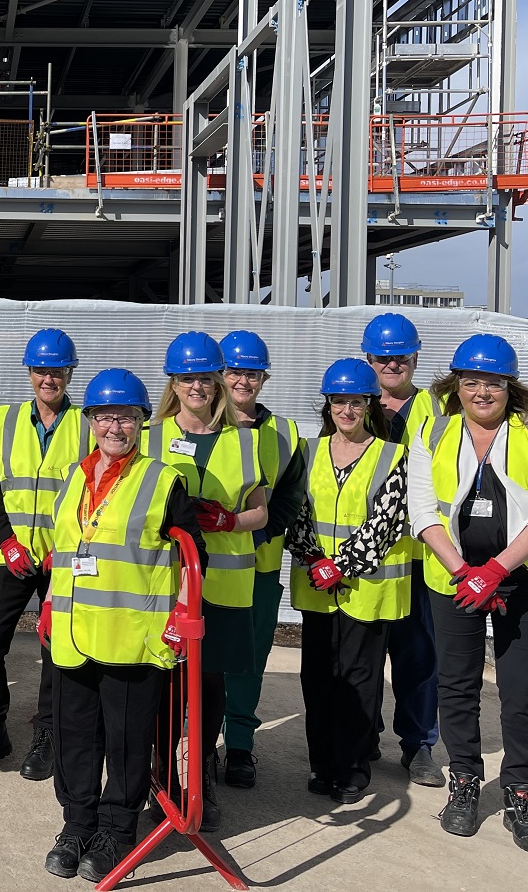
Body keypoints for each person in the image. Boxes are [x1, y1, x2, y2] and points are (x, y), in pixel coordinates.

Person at [408, 334, 528, 854]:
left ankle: (521, 793)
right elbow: (422, 509)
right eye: (471, 381)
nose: (482, 391)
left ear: (510, 386)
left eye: (493, 382)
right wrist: (464, 572)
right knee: (456, 685)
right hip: (455, 578)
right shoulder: (433, 431)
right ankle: (464, 783)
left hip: (523, 579)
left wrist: (495, 570)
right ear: (455, 385)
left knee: (521, 691)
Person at [42, 368, 204, 881]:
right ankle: (77, 823)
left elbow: (193, 557)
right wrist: (48, 602)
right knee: (74, 736)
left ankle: (116, 830)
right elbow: (66, 549)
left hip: (132, 638)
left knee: (128, 740)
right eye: (106, 416)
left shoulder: (163, 480)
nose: (116, 426)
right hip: (71, 634)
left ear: (142, 422)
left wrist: (181, 615)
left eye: (128, 417)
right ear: (89, 420)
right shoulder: (74, 477)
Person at [146, 331, 267, 833]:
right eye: (187, 377)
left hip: (223, 587)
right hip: (162, 585)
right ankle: (163, 779)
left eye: (205, 377)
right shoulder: (150, 435)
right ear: (174, 383)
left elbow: (260, 510)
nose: (197, 386)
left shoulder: (244, 438)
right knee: (164, 683)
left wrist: (230, 522)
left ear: (219, 381)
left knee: (210, 685)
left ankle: (200, 776)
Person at [0, 328, 93, 780]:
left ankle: (47, 733)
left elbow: (97, 496)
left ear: (70, 373)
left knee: (55, 648)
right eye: (41, 370)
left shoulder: (87, 425)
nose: (49, 378)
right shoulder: (5, 420)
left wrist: (69, 549)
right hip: (13, 554)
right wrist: (7, 541)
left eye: (58, 370)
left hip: (64, 559)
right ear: (29, 373)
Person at [287, 359, 409, 805]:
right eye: (339, 401)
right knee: (318, 678)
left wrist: (342, 564)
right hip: (317, 586)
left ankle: (353, 769)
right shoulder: (308, 452)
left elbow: (388, 521)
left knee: (360, 680)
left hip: (366, 589)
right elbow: (296, 512)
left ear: (370, 405)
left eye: (356, 401)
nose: (347, 410)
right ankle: (321, 764)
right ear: (328, 406)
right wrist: (314, 558)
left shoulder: (391, 455)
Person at [218, 330, 305, 790]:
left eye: (252, 373)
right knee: (198, 658)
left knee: (249, 659)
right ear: (219, 374)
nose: (243, 380)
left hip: (259, 567)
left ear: (264, 378)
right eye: (234, 371)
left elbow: (290, 498)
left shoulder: (284, 434)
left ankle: (239, 747)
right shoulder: (200, 426)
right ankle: (195, 741)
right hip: (202, 568)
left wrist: (257, 535)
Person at [360, 311, 444, 786]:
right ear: (368, 359)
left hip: (418, 553)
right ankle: (364, 732)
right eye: (383, 358)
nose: (392, 365)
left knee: (418, 655)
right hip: (365, 555)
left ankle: (419, 745)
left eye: (401, 358)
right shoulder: (352, 402)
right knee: (363, 652)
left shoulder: (439, 411)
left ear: (415, 357)